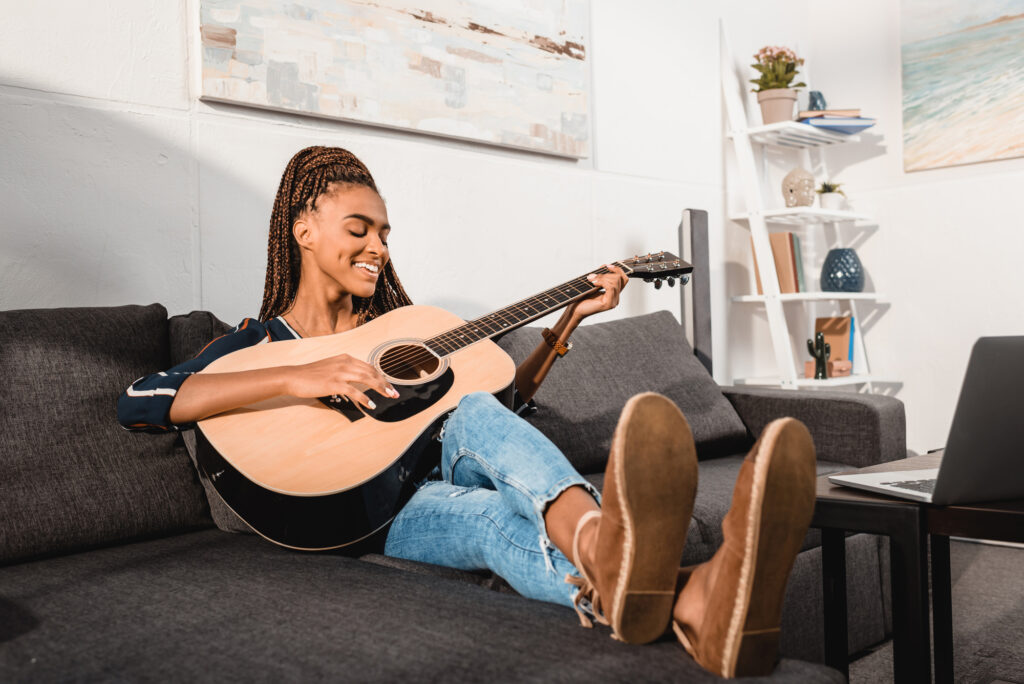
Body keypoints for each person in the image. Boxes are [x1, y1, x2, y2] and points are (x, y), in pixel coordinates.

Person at [118, 146, 816, 677]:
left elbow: (505, 403)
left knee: (488, 492)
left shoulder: (400, 327)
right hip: (355, 511)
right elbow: (141, 398)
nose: (378, 248)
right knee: (479, 426)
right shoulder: (257, 345)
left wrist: (567, 322)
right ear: (302, 227)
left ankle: (690, 596)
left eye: (384, 233)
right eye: (358, 228)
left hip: (428, 482)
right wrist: (304, 374)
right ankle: (619, 550)